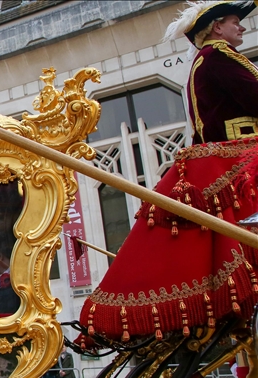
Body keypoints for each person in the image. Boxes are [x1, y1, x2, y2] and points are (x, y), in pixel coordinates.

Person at [80, 1, 257, 346]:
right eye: (236, 22)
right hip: (243, 153)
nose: (243, 28)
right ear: (216, 27)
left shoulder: (203, 63)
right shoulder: (220, 56)